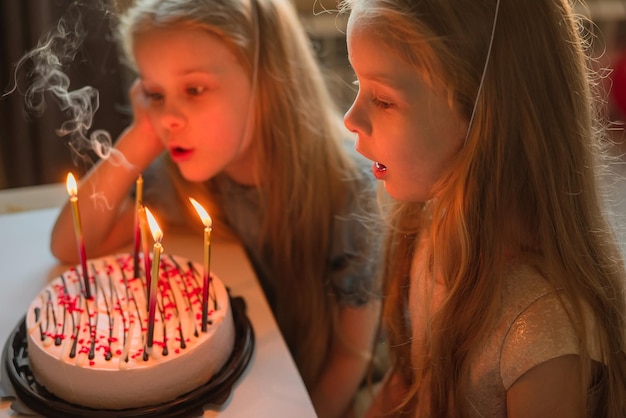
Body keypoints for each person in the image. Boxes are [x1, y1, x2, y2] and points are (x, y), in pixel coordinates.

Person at [50, 0, 382, 416]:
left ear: (267, 80)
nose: (168, 117)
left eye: (194, 89)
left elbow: (351, 358)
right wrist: (140, 135)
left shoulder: (349, 190)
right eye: (154, 93)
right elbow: (69, 244)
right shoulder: (178, 173)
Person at [339, 0, 626, 416]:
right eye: (357, 86)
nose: (350, 118)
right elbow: (408, 387)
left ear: (489, 116)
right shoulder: (428, 222)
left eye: (383, 99)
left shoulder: (544, 333)